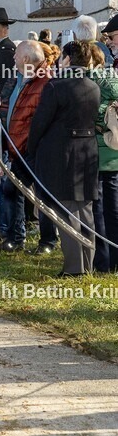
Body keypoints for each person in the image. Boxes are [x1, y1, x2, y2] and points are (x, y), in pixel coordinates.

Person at [27, 40, 101, 276]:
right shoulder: (93, 85)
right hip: (87, 150)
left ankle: (74, 268)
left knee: (66, 210)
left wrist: (30, 148)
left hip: (61, 153)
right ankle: (87, 263)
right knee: (85, 209)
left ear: (67, 59)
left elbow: (40, 122)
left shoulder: (55, 87)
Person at [0, 41, 53, 253]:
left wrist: (30, 144)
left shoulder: (46, 81)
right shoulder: (17, 78)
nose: (13, 57)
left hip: (36, 149)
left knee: (43, 195)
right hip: (17, 148)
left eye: (16, 54)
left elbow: (43, 118)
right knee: (12, 189)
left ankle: (47, 241)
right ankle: (16, 238)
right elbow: (10, 107)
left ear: (26, 59)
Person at [88, 49, 118, 273]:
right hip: (114, 153)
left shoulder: (90, 81)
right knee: (114, 208)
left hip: (98, 152)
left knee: (97, 210)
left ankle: (103, 260)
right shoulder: (114, 79)